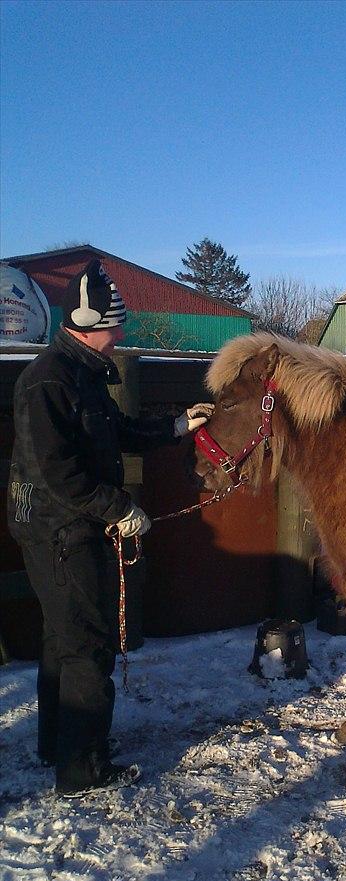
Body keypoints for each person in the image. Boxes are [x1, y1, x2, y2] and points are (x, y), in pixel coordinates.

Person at [7, 259, 213, 796]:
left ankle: (60, 743)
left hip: (68, 529)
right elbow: (58, 473)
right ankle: (83, 769)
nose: (120, 334)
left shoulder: (81, 376)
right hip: (60, 534)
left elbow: (116, 432)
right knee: (88, 647)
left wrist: (175, 427)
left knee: (62, 640)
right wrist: (117, 508)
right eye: (114, 326)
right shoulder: (46, 382)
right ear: (88, 325)